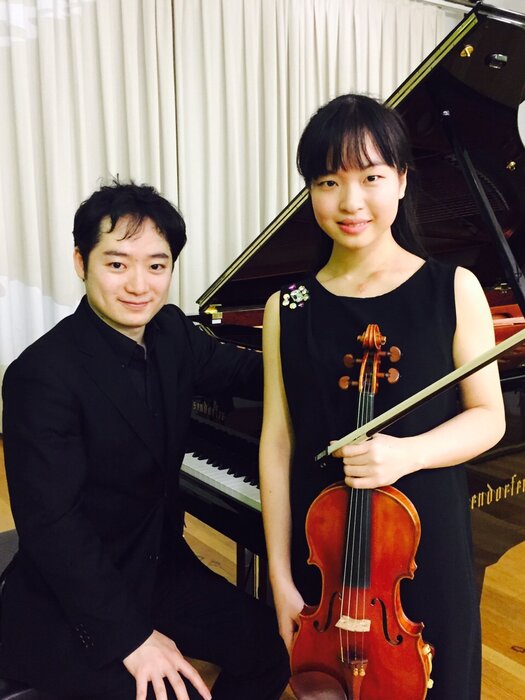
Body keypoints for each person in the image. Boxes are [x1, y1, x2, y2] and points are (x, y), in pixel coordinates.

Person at [0, 182, 289, 700]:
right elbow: (54, 529)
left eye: (157, 266)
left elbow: (252, 372)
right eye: (117, 264)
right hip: (71, 596)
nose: (139, 285)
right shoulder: (40, 375)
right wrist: (132, 638)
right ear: (80, 262)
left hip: (158, 566)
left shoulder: (172, 332)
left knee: (271, 649)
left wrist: (330, 355)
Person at [259, 94, 505, 700]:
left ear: (401, 180)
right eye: (328, 182)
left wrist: (407, 453)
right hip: (326, 562)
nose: (350, 201)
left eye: (370, 177)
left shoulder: (454, 288)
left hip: (424, 550)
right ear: (310, 192)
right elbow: (277, 444)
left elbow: (488, 418)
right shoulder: (287, 308)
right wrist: (281, 577)